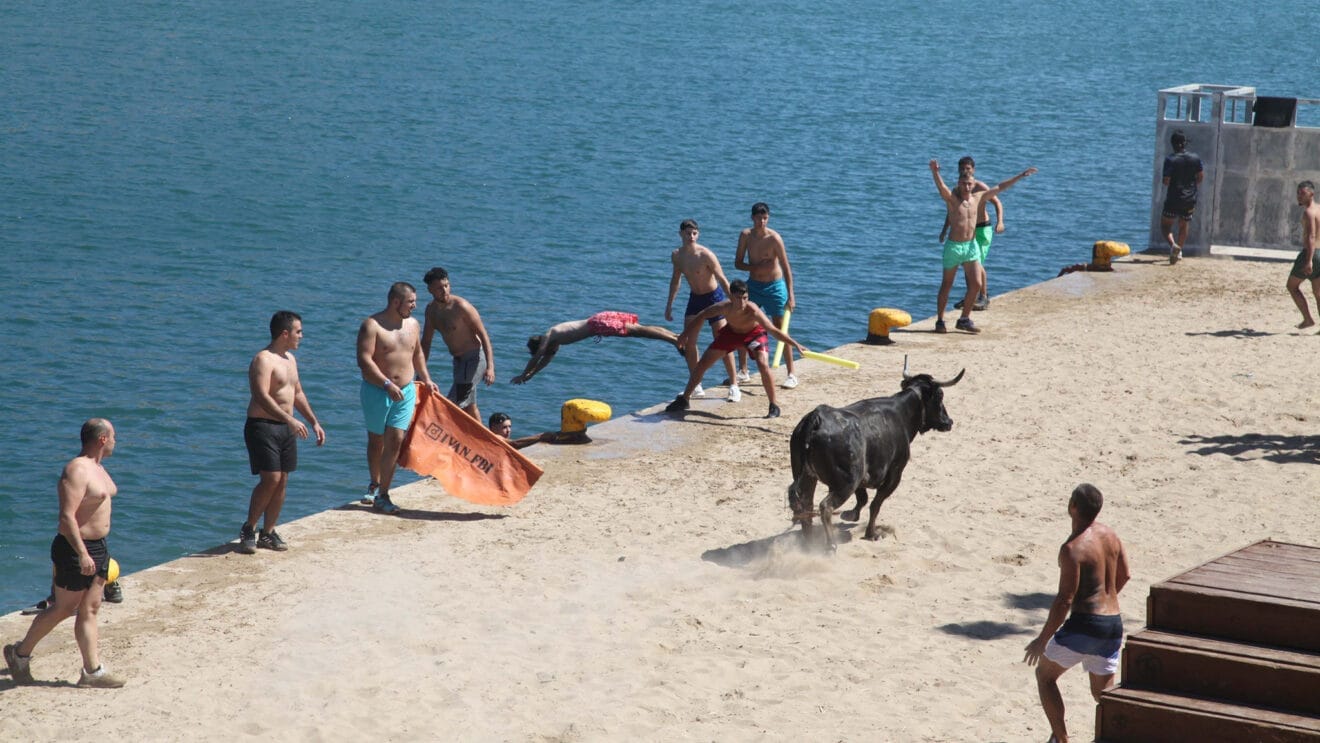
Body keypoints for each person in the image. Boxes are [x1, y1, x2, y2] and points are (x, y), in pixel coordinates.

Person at [4, 419, 128, 688]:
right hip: (75, 548)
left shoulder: (98, 468)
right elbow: (66, 518)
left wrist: (94, 552)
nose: (117, 441)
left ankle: (92, 672)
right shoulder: (77, 470)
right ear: (103, 439)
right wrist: (82, 553)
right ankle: (19, 653)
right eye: (114, 436)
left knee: (90, 609)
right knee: (63, 608)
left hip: (99, 548)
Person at [1023, 483, 1131, 743]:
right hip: (1112, 625)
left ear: (1073, 507)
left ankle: (1061, 739)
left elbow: (1064, 601)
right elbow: (1125, 574)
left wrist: (1042, 639)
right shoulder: (1111, 536)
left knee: (1045, 676)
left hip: (1084, 624)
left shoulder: (1072, 549)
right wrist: (1107, 599)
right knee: (1102, 695)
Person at [238, 311, 326, 554]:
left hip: (286, 427)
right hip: (262, 426)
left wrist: (314, 422)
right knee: (271, 478)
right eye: (298, 332)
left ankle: (268, 532)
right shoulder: (263, 360)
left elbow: (297, 393)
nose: (302, 336)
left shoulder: (290, 360)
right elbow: (261, 395)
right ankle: (249, 528)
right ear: (284, 333)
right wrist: (289, 419)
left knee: (283, 480)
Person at [665, 279, 808, 419]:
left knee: (763, 364)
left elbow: (772, 329)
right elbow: (701, 315)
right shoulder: (723, 307)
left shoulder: (752, 309)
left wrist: (795, 344)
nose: (742, 302)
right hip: (731, 334)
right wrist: (684, 335)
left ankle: (773, 405)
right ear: (731, 296)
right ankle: (684, 399)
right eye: (738, 298)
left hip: (754, 334)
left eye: (745, 298)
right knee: (703, 363)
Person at [357, 282, 441, 515]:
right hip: (377, 390)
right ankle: (374, 483)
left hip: (405, 392)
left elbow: (417, 353)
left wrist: (426, 378)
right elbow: (364, 360)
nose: (415, 306)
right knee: (377, 441)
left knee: (395, 440)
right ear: (396, 302)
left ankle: (384, 494)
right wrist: (386, 384)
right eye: (411, 302)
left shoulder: (413, 324)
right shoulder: (372, 326)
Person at [930, 159, 1036, 334]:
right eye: (963, 184)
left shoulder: (978, 198)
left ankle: (964, 318)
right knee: (946, 285)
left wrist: (1020, 176)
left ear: (973, 184)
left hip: (971, 246)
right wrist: (935, 172)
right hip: (954, 247)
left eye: (969, 184)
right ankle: (940, 320)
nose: (966, 187)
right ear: (959, 183)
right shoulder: (952, 199)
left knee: (976, 284)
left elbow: (1000, 187)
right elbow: (941, 187)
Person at [665, 219, 740, 401]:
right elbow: (676, 280)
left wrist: (735, 302)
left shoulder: (705, 254)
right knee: (689, 342)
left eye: (694, 233)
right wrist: (669, 305)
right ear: (680, 234)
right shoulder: (677, 255)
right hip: (695, 299)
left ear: (698, 234)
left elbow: (722, 278)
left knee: (722, 340)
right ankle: (696, 384)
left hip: (713, 297)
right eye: (688, 233)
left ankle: (734, 385)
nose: (691, 236)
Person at [511, 312, 681, 384]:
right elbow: (543, 362)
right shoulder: (555, 344)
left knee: (638, 330)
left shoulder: (551, 334)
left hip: (598, 323)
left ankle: (674, 340)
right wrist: (530, 376)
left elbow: (537, 357)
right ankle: (674, 336)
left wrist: (522, 374)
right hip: (598, 322)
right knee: (639, 330)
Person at [734, 203, 799, 388]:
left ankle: (791, 373)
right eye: (758, 218)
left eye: (765, 218)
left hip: (775, 286)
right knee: (743, 324)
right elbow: (737, 263)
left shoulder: (774, 238)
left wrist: (791, 295)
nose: (761, 222)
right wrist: (754, 267)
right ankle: (744, 371)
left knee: (780, 327)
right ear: (752, 218)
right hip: (753, 285)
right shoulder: (746, 236)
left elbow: (786, 267)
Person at [420, 267, 496, 423]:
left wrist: (490, 367)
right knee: (470, 406)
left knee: (451, 404)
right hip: (458, 362)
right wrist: (421, 371)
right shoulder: (431, 311)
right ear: (430, 290)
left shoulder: (461, 307)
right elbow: (426, 342)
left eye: (446, 285)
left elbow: (484, 335)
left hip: (475, 359)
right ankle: (481, 442)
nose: (444, 290)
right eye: (439, 288)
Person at [940, 156, 1004, 311]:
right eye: (962, 169)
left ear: (973, 170)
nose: (964, 171)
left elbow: (997, 202)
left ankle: (984, 296)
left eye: (967, 169)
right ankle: (972, 296)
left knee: (977, 262)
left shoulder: (979, 186)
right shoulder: (957, 190)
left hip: (983, 228)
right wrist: (944, 230)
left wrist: (1000, 221)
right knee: (968, 264)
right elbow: (953, 213)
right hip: (970, 232)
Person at [1160, 129, 1204, 265]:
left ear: (1172, 144)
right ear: (1185, 143)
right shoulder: (1196, 158)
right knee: (1184, 225)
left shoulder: (1170, 160)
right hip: (1189, 198)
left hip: (1174, 197)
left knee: (1165, 225)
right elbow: (1200, 177)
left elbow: (1166, 181)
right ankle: (1179, 252)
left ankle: (1173, 245)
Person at [1288, 180, 1320, 329]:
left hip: (1310, 253)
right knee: (1318, 292)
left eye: (1303, 193)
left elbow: (1311, 236)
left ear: (1311, 194)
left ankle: (1308, 319)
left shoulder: (1309, 212)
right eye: (1298, 193)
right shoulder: (1319, 209)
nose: (1299, 196)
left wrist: (1309, 261)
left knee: (1292, 286)